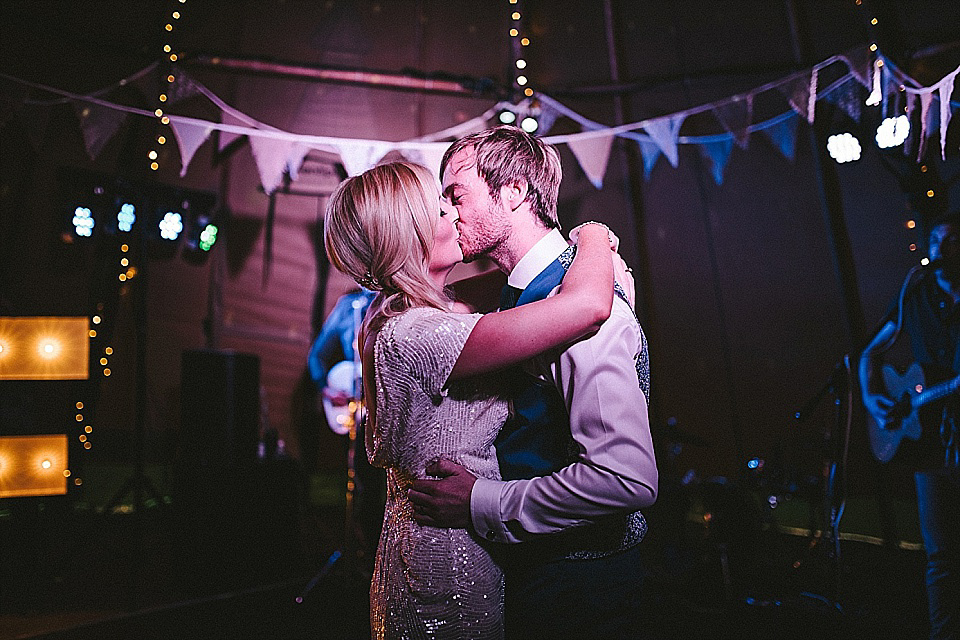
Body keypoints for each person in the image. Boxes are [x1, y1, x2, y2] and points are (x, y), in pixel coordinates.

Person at [323, 159, 627, 639]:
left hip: (434, 534)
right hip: (447, 556)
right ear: (411, 235)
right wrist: (591, 236)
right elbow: (585, 307)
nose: (453, 212)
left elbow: (519, 278)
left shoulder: (404, 309)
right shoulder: (420, 333)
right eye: (440, 207)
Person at [408, 125, 658, 639]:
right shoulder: (516, 293)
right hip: (536, 576)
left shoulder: (585, 304)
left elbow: (627, 478)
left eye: (457, 194)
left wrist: (481, 500)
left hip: (585, 588)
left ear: (516, 191)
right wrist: (592, 234)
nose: (449, 213)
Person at [860, 211, 960, 640]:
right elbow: (869, 352)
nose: (941, 249)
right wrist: (871, 397)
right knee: (940, 557)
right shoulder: (914, 293)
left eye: (951, 241)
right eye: (936, 241)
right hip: (930, 449)